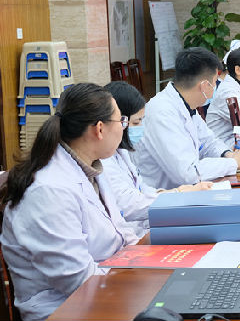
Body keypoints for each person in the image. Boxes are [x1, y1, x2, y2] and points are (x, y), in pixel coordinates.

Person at [1, 83, 138, 321]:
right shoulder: (48, 191)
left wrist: (149, 262)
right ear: (99, 129)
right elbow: (78, 280)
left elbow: (121, 231)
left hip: (107, 289)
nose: (124, 128)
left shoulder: (91, 169)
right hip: (64, 309)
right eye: (121, 121)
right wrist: (137, 284)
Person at [132, 47, 240, 189]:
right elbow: (187, 172)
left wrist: (228, 155)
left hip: (188, 189)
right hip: (163, 195)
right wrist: (235, 163)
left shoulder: (186, 105)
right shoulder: (161, 112)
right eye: (215, 82)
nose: (216, 87)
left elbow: (208, 141)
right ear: (204, 86)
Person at [102, 81, 212, 237]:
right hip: (132, 235)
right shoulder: (105, 161)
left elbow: (142, 189)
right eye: (136, 122)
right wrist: (178, 195)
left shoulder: (121, 153)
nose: (141, 127)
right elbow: (130, 205)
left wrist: (177, 192)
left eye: (141, 121)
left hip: (143, 226)